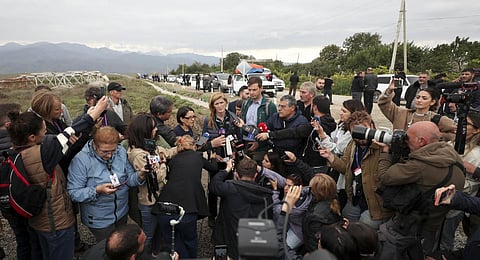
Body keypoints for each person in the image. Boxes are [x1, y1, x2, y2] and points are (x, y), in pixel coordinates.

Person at [7, 97, 107, 260]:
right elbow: (70, 132)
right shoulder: (42, 153)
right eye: (44, 131)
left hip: (38, 222)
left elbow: (67, 138)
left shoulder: (17, 152)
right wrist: (94, 114)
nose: (47, 133)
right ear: (32, 137)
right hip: (56, 223)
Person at [376, 121, 465, 259]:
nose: (405, 141)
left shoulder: (419, 166)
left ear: (422, 141)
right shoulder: (451, 155)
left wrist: (386, 153)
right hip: (434, 223)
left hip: (410, 226)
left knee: (389, 249)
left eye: (408, 138)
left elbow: (385, 177)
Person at [67, 126, 147, 242]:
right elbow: (73, 193)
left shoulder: (120, 152)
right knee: (107, 249)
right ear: (94, 145)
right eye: (104, 151)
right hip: (99, 219)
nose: (109, 155)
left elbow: (129, 180)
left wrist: (140, 175)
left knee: (121, 245)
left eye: (113, 151)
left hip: (121, 212)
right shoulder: (81, 161)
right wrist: (97, 190)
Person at [319, 111, 392, 229]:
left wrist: (386, 150)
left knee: (363, 226)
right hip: (355, 197)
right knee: (346, 220)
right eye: (356, 132)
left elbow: (387, 175)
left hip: (375, 203)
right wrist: (330, 157)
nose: (361, 135)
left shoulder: (382, 145)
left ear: (372, 127)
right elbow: (345, 167)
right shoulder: (352, 145)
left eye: (364, 130)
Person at [157, 135, 217, 258]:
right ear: (193, 146)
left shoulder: (173, 160)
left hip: (165, 206)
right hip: (188, 207)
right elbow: (213, 168)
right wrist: (213, 158)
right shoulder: (197, 156)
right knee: (189, 240)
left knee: (171, 243)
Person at [126, 113, 177, 255]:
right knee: (148, 235)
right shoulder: (139, 155)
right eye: (153, 128)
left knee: (157, 232)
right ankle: (143, 256)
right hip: (148, 202)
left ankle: (154, 253)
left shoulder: (149, 147)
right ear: (145, 131)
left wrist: (179, 148)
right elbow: (157, 176)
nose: (156, 130)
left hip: (156, 198)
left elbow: (165, 152)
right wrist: (163, 163)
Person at [209, 158, 273, 260]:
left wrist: (226, 169)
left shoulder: (229, 189)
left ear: (237, 175)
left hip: (228, 239)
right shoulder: (266, 195)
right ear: (255, 175)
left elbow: (214, 184)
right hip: (253, 241)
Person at [439, 109, 480, 252]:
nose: (459, 125)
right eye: (458, 122)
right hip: (441, 194)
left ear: (476, 130)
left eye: (465, 124)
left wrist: (471, 169)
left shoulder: (477, 153)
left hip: (459, 200)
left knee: (446, 236)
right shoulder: (452, 142)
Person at [0, 103, 31, 260]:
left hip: (5, 200)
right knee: (31, 236)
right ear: (8, 124)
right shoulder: (17, 142)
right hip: (21, 197)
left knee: (21, 238)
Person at [202, 93, 239, 227]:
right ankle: (212, 215)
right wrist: (212, 151)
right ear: (212, 106)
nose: (219, 106)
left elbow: (238, 138)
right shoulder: (208, 120)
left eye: (221, 103)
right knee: (213, 188)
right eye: (216, 104)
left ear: (226, 102)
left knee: (228, 187)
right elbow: (202, 142)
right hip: (215, 160)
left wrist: (235, 152)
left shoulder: (234, 117)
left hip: (229, 159)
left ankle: (225, 214)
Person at [378, 79, 456, 141]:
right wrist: (389, 91)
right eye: (418, 97)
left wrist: (437, 136)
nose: (419, 100)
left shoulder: (437, 119)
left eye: (424, 98)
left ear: (432, 102)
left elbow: (456, 133)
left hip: (423, 157)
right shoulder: (401, 113)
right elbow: (384, 104)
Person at [302, 174, 343, 253]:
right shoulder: (333, 200)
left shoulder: (316, 216)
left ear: (316, 192)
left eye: (311, 188)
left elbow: (314, 243)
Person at [240, 76, 278, 162]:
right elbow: (243, 123)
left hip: (261, 147)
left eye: (254, 90)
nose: (251, 93)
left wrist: (259, 143)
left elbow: (272, 128)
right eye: (249, 90)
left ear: (261, 88)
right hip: (246, 142)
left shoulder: (269, 105)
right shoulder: (245, 103)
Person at [304, 95, 337, 170]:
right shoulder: (331, 122)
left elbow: (297, 132)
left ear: (315, 107)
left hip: (314, 162)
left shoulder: (317, 125)